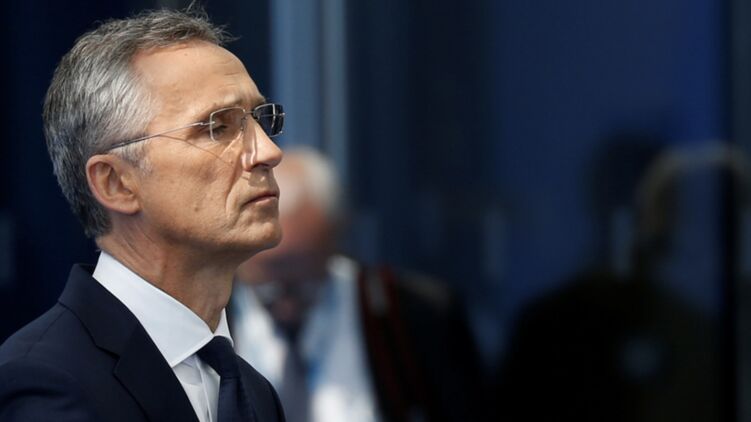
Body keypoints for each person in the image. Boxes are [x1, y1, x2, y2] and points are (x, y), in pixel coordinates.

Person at [0, 8, 286, 422]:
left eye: (261, 119)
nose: (268, 152)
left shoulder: (253, 392)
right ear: (116, 183)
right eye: (217, 127)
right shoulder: (46, 383)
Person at [231, 147, 483, 422]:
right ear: (236, 249)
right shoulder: (207, 318)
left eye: (303, 278)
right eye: (269, 275)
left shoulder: (410, 313)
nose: (287, 302)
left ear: (334, 240)